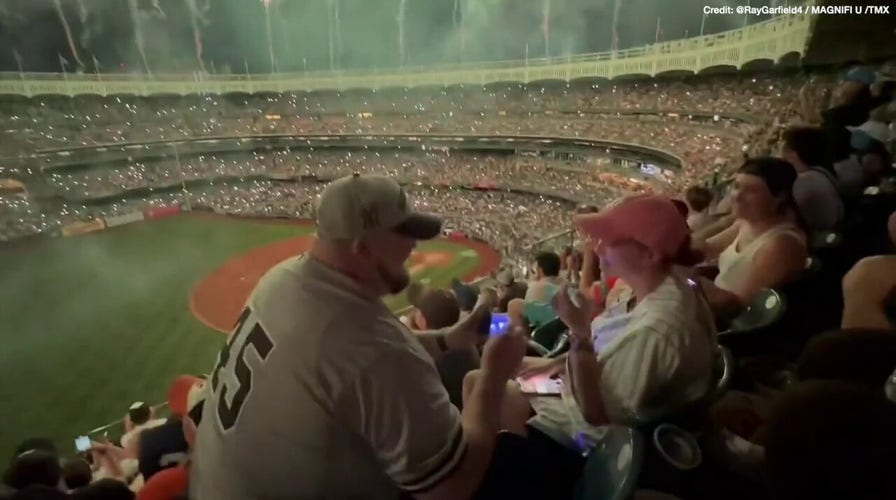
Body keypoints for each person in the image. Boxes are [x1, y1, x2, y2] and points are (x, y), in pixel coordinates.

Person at [190, 174, 535, 500]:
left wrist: (447, 339)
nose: (414, 245)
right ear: (363, 249)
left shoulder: (281, 278)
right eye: (403, 234)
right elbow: (450, 486)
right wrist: (494, 373)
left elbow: (348, 372)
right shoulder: (370, 347)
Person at [465, 195, 717, 442]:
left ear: (650, 254)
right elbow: (608, 353)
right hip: (573, 395)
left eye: (610, 240)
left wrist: (579, 332)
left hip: (588, 441)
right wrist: (553, 365)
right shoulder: (657, 287)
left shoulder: (657, 329)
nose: (598, 248)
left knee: (479, 383)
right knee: (485, 376)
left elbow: (597, 413)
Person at [696, 158, 808, 319]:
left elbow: (738, 306)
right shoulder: (746, 222)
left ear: (780, 197)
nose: (737, 196)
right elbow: (704, 248)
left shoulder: (782, 244)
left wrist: (693, 283)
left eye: (751, 191)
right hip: (714, 306)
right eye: (736, 186)